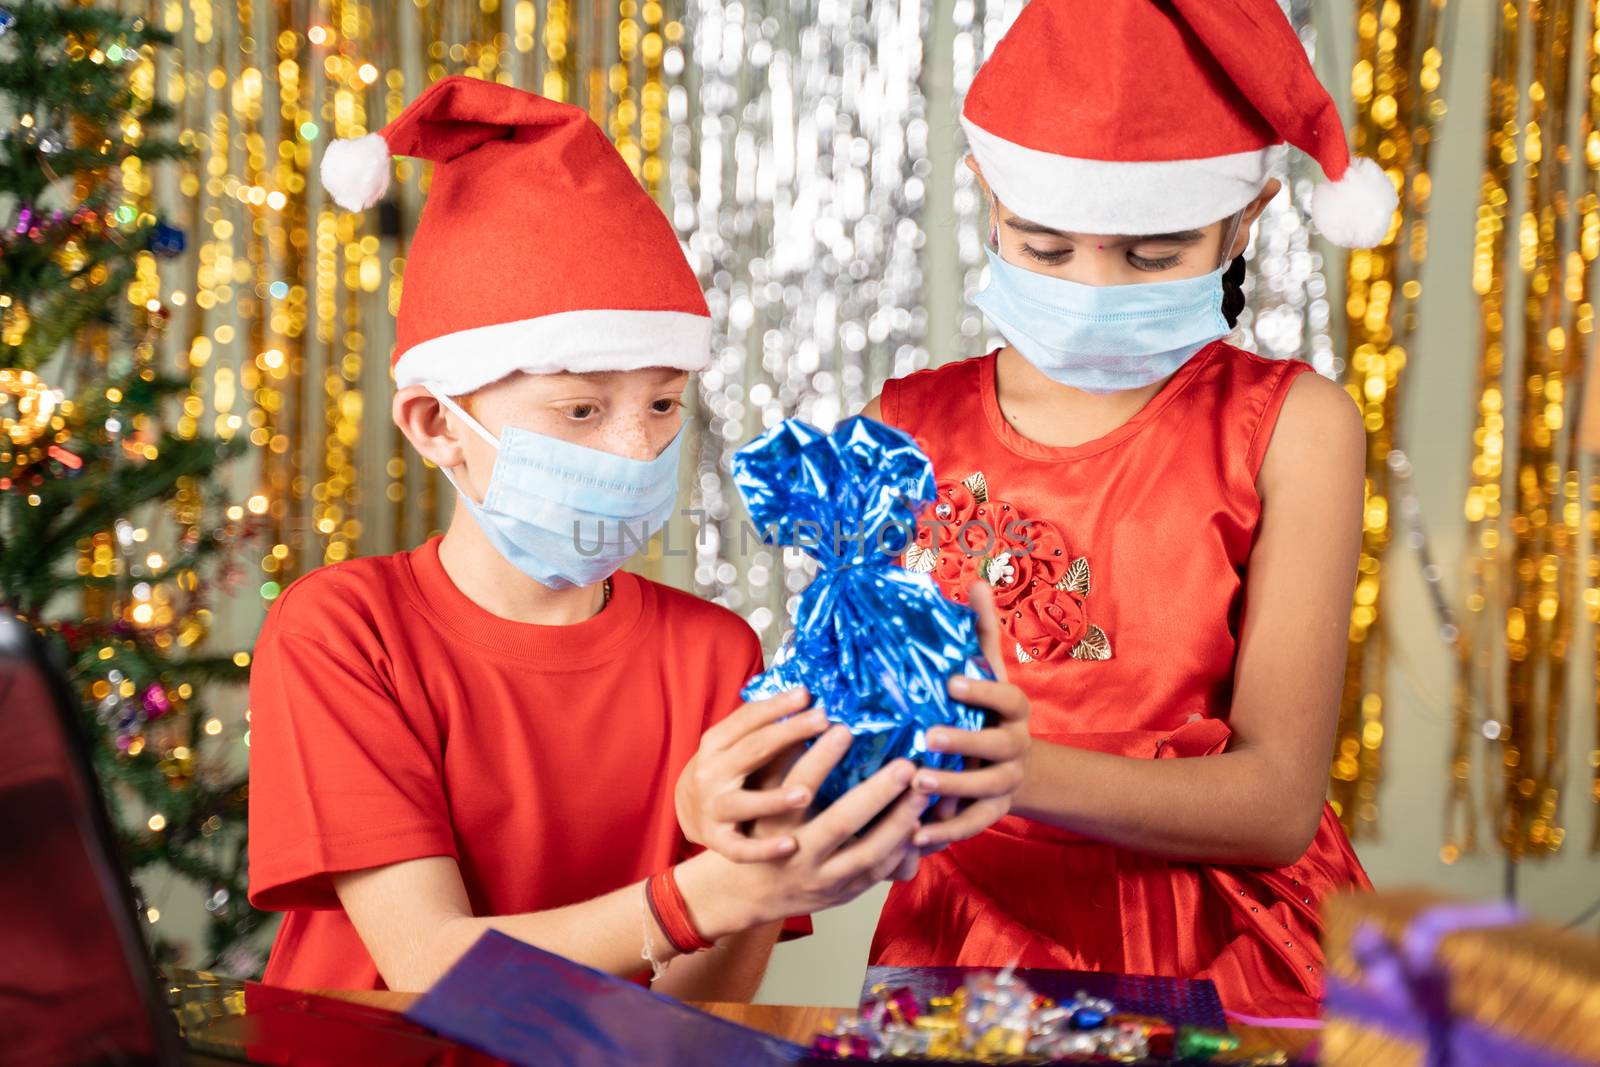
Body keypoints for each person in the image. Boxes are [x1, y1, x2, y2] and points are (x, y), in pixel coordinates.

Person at [704, 0, 1387, 1021]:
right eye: (1044, 244)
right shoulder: (904, 428)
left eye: (1150, 254)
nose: (1093, 282)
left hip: (1226, 955)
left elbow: (1276, 803)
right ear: (987, 198)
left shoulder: (1291, 426)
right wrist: (749, 797)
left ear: (1244, 221)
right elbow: (857, 727)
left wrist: (1012, 769)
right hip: (966, 953)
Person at [246, 77, 958, 996]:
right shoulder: (345, 632)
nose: (635, 446)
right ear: (434, 424)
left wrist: (779, 849)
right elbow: (425, 964)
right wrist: (705, 890)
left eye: (663, 402)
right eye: (581, 408)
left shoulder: (713, 655)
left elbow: (693, 1022)